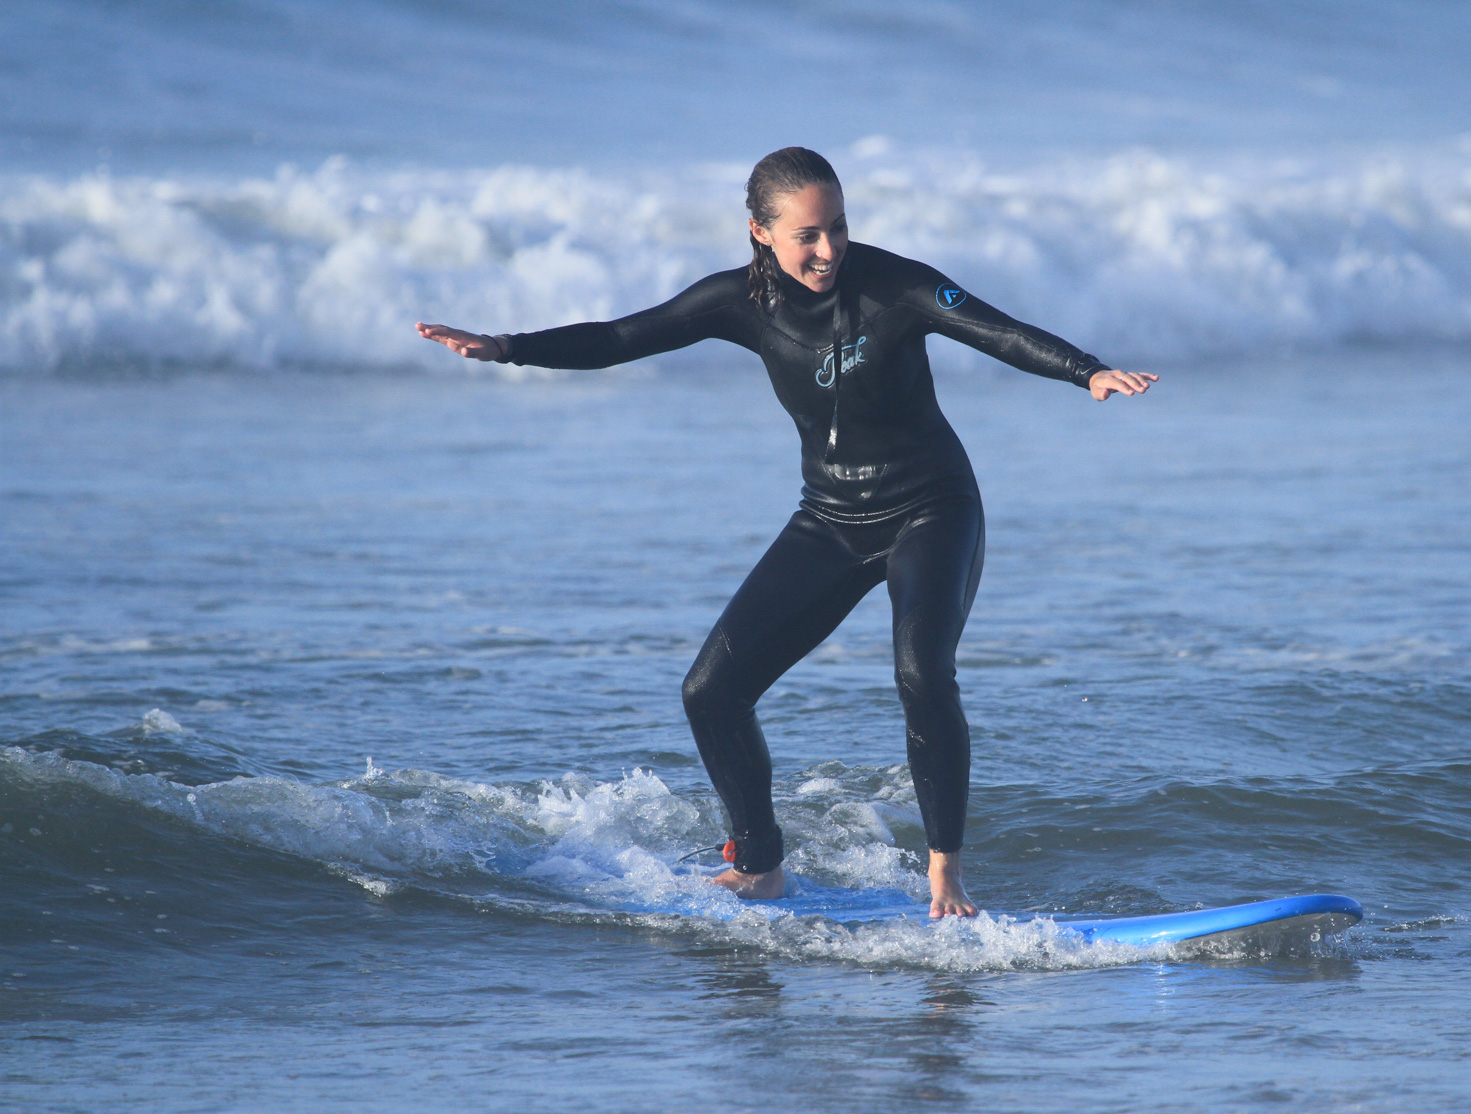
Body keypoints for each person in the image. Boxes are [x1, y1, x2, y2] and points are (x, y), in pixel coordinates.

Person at [418, 147, 1156, 918]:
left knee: (921, 672)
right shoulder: (736, 301)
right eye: (807, 234)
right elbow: (620, 337)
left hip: (932, 507)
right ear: (760, 233)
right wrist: (509, 347)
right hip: (830, 519)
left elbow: (995, 329)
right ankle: (759, 863)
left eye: (838, 227)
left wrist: (1087, 370)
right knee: (712, 689)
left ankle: (946, 876)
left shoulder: (895, 285)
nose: (829, 249)